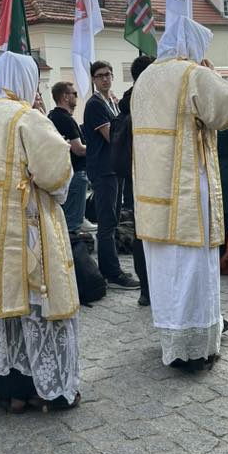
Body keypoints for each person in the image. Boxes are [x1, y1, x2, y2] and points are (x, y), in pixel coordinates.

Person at [0, 52, 81, 412]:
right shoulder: (26, 118)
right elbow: (55, 173)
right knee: (41, 306)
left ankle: (12, 389)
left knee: (7, 307)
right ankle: (49, 388)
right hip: (30, 226)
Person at [132, 18, 228, 371]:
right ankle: (194, 348)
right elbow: (224, 112)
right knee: (193, 266)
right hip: (188, 187)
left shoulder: (146, 76)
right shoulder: (193, 74)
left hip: (151, 189)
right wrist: (212, 74)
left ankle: (171, 338)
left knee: (164, 266)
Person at [83, 61, 139, 289]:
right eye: (100, 76)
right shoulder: (96, 104)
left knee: (113, 221)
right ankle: (111, 273)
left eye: (108, 74)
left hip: (114, 169)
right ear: (94, 80)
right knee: (107, 224)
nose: (105, 79)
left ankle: (112, 269)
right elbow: (112, 136)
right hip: (104, 170)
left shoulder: (111, 102)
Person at [119, 55, 155, 306]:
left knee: (140, 233)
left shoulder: (126, 100)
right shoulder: (149, 100)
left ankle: (145, 288)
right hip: (152, 175)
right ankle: (153, 287)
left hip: (133, 178)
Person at [48, 81, 88, 236]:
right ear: (65, 96)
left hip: (62, 173)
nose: (76, 98)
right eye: (74, 94)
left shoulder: (52, 116)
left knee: (65, 219)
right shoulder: (65, 119)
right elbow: (78, 149)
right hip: (75, 173)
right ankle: (74, 256)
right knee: (72, 225)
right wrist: (98, 149)